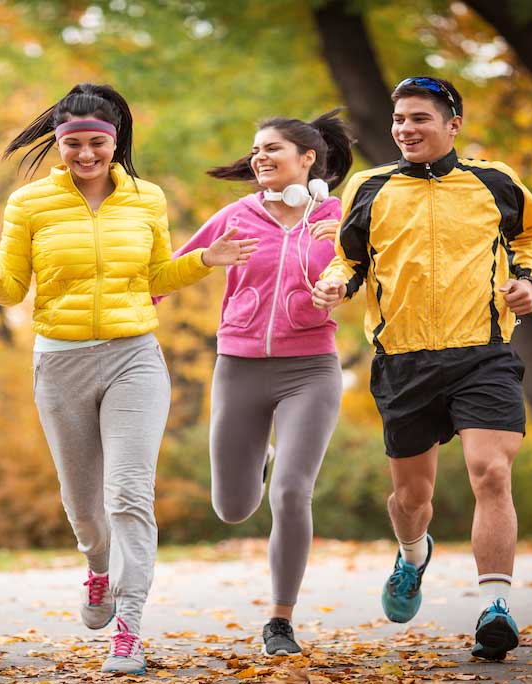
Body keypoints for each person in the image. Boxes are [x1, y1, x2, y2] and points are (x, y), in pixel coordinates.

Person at [0, 83, 257, 675]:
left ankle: (130, 628)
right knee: (84, 506)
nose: (86, 155)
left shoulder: (147, 198)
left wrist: (206, 260)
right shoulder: (30, 205)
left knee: (128, 493)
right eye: (73, 144)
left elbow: (157, 276)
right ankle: (99, 569)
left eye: (98, 143)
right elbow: (14, 292)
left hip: (134, 358)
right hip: (61, 361)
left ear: (115, 142)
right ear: (58, 143)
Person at [313, 76, 532, 662]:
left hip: (483, 352)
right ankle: (413, 554)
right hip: (405, 360)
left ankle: (496, 605)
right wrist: (337, 281)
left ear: (452, 125)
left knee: (490, 471)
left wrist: (527, 282)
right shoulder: (370, 187)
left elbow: (531, 236)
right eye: (399, 120)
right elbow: (350, 256)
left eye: (419, 118)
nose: (405, 129)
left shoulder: (495, 182)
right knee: (410, 500)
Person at [165, 111, 352, 656]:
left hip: (311, 369)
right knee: (233, 508)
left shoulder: (340, 218)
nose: (259, 158)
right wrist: (119, 317)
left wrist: (342, 283)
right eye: (255, 150)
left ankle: (280, 619)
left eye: (272, 148)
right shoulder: (237, 215)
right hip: (239, 367)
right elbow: (171, 271)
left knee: (292, 492)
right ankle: (262, 456)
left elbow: (371, 272)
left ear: (308, 158)